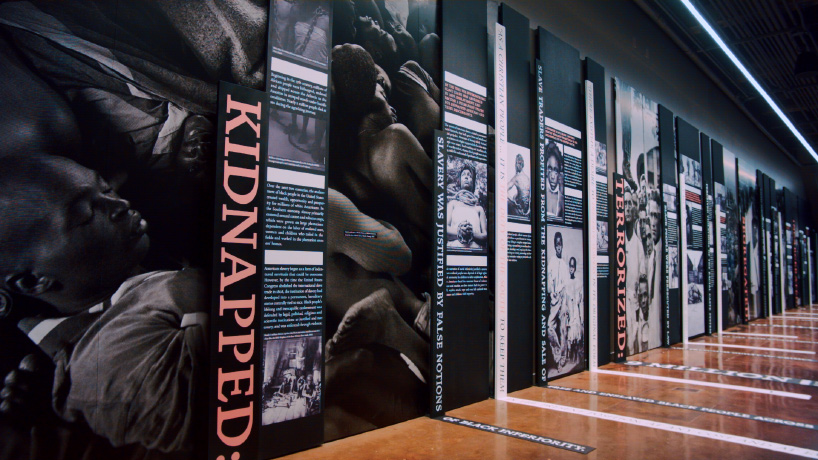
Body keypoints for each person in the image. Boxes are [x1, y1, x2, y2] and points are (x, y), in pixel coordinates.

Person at [0, 154, 207, 453]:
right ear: (33, 282)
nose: (120, 205)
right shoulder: (109, 364)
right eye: (85, 215)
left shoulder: (132, 267)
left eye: (107, 189)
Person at [447, 164, 488, 250]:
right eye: (463, 175)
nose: (466, 177)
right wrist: (460, 231)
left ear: (473, 182)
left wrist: (471, 233)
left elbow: (485, 235)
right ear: (459, 181)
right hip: (454, 249)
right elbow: (444, 229)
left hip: (475, 252)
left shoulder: (479, 209)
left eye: (469, 176)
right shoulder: (452, 204)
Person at [547, 232, 570, 372]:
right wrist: (552, 292)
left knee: (563, 330)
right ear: (554, 246)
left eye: (560, 244)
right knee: (549, 326)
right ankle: (556, 356)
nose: (558, 247)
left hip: (564, 299)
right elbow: (549, 281)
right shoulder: (552, 261)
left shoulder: (565, 264)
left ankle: (562, 359)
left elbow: (567, 284)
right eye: (556, 245)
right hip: (555, 299)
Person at [508, 153, 531, 218]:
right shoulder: (527, 178)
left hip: (519, 210)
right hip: (527, 210)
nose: (515, 165)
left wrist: (513, 202)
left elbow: (504, 189)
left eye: (516, 163)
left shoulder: (516, 177)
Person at [545, 141, 564, 219]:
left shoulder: (562, 200)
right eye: (550, 169)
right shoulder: (540, 195)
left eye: (555, 170)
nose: (552, 176)